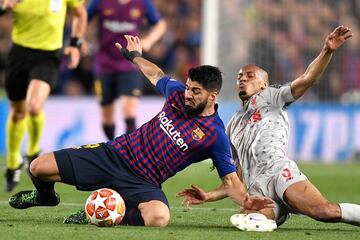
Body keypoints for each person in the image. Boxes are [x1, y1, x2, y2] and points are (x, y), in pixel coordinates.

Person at [8, 35, 274, 227]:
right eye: (188, 87)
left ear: (212, 96)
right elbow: (157, 74)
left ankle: (103, 214)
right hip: (114, 155)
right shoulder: (177, 94)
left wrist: (248, 200)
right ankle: (45, 197)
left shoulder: (215, 135)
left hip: (143, 182)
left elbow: (231, 181)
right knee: (38, 167)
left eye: (196, 91)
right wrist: (135, 57)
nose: (188, 95)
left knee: (159, 218)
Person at [177, 25, 360, 229]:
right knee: (246, 218)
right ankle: (271, 215)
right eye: (239, 77)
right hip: (258, 190)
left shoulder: (273, 96)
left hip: (278, 173)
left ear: (264, 84)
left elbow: (309, 79)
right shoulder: (232, 125)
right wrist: (208, 195)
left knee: (324, 212)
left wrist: (327, 50)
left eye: (249, 75)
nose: (243, 79)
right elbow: (235, 177)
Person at [1, 0, 87, 192]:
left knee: (34, 106)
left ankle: (32, 151)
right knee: (17, 112)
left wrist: (75, 44)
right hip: (19, 54)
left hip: (48, 56)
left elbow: (80, 14)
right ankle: (13, 162)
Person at [86, 0, 166, 139]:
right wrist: (81, 40)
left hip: (130, 64)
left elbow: (160, 24)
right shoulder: (100, 2)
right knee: (107, 118)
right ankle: (112, 149)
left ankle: (130, 154)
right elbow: (82, 17)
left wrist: (149, 41)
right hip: (104, 66)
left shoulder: (142, 3)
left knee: (129, 111)